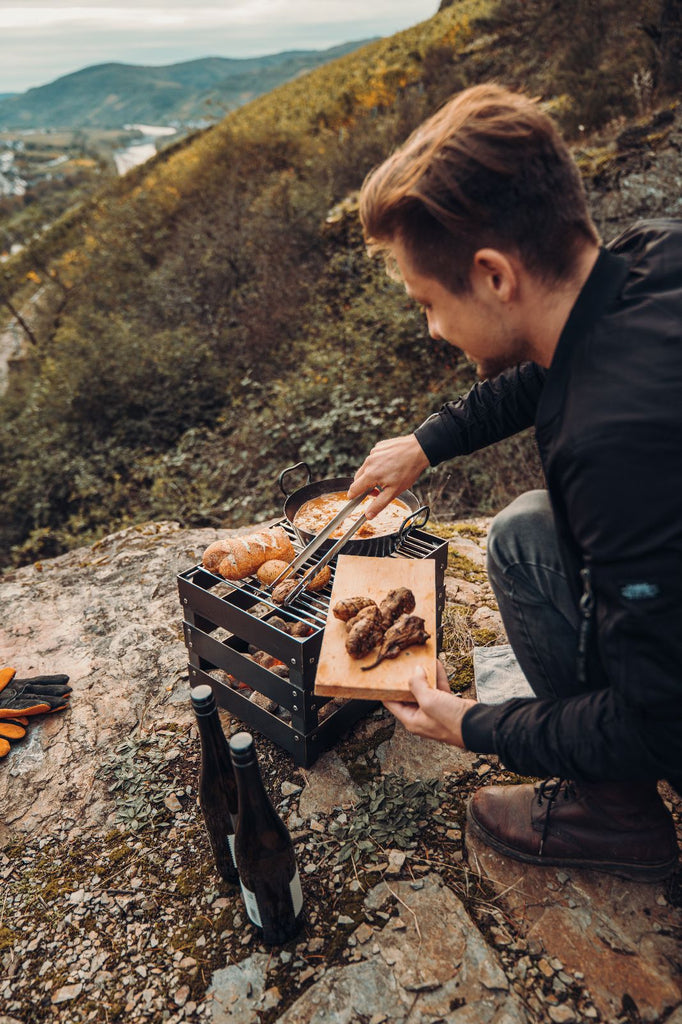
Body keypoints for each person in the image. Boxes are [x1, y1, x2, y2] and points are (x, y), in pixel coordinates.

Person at [347, 83, 682, 882]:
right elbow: (546, 367)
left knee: (521, 537)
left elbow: (660, 725)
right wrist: (427, 445)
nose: (432, 330)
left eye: (429, 303)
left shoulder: (613, 448)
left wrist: (475, 724)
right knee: (526, 529)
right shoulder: (651, 256)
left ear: (495, 276)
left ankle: (615, 816)